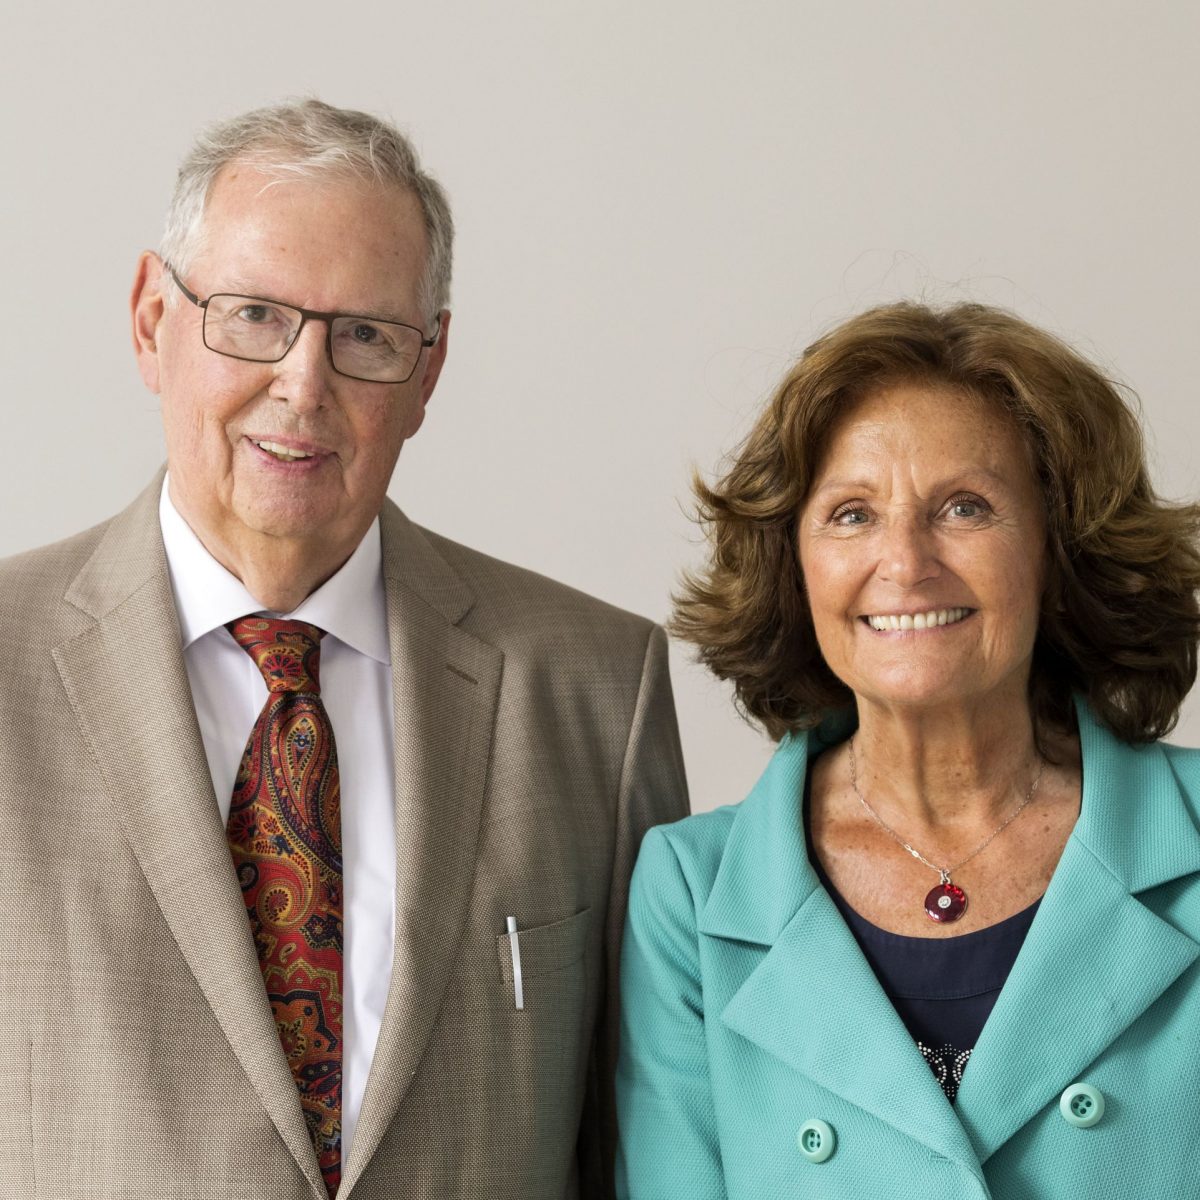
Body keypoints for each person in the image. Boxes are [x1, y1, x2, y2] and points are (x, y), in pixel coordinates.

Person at [0, 99, 688, 1199]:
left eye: (364, 335)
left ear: (429, 369)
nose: (304, 384)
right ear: (150, 320)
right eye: (254, 314)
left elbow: (643, 1148)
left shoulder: (598, 690)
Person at [616, 301, 1200, 1198]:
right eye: (850, 514)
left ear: (1059, 546)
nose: (905, 561)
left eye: (965, 507)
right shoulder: (693, 896)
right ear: (793, 563)